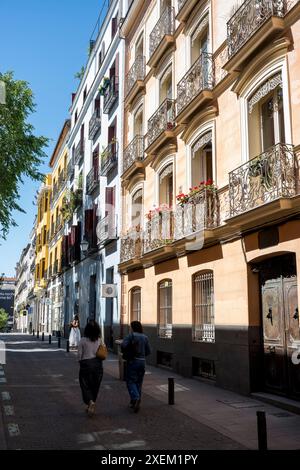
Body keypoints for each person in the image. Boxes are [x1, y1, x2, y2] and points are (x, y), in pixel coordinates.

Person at [121, 321, 151, 413]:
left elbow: (123, 345)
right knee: (139, 382)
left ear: (133, 327)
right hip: (142, 362)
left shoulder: (131, 336)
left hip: (133, 361)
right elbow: (148, 351)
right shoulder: (145, 337)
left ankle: (136, 398)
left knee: (130, 381)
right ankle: (135, 401)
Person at [77, 320, 104, 416]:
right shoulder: (99, 340)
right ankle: (91, 403)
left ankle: (90, 402)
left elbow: (79, 354)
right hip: (98, 365)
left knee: (85, 385)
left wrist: (80, 362)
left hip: (86, 364)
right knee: (95, 385)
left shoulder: (83, 340)